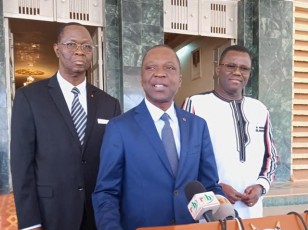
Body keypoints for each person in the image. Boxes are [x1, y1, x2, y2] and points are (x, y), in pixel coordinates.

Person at [92, 44, 225, 230]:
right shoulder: (119, 128)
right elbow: (106, 193)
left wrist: (227, 211)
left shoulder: (198, 126)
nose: (160, 73)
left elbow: (209, 184)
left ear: (179, 80)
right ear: (141, 79)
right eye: (151, 67)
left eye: (169, 68)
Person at [10, 22, 121, 230]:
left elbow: (116, 163)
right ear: (57, 49)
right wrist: (30, 223)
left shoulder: (110, 103)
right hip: (51, 212)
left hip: (98, 214)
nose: (80, 51)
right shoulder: (30, 98)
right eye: (71, 44)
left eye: (87, 46)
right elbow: (21, 165)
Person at [182, 45, 278, 219]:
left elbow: (271, 156)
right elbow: (185, 158)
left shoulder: (260, 109)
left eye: (244, 68)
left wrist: (261, 186)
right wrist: (216, 187)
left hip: (252, 210)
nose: (237, 72)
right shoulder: (196, 104)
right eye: (231, 66)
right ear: (218, 69)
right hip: (211, 207)